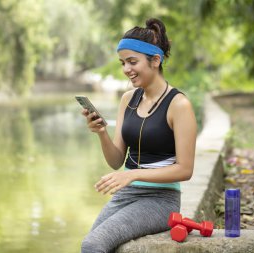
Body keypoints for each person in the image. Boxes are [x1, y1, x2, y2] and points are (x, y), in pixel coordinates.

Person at [80, 18, 197, 253]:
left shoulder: (179, 105)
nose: (126, 70)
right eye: (123, 63)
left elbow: (185, 170)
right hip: (127, 195)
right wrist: (102, 133)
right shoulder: (128, 99)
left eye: (132, 62)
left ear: (155, 60)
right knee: (90, 245)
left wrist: (132, 175)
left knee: (93, 244)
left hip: (160, 200)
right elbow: (116, 161)